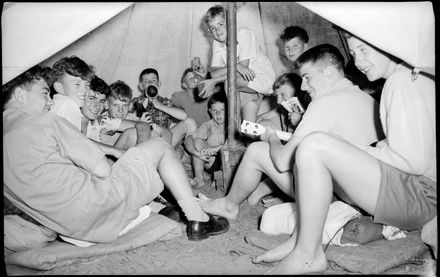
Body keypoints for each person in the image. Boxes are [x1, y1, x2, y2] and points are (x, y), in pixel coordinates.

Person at [256, 32, 436, 275]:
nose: (358, 60)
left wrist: (352, 148)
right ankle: (301, 242)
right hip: (415, 190)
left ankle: (308, 254)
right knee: (314, 148)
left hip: (421, 195)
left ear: (387, 44)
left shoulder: (402, 82)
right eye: (353, 53)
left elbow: (414, 162)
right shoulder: (406, 76)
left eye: (363, 50)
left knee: (313, 145)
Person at [3, 65, 229, 242]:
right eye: (45, 93)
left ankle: (157, 204)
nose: (50, 101)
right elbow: (103, 170)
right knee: (160, 148)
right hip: (96, 208)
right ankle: (197, 219)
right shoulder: (46, 121)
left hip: (67, 226)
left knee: (143, 145)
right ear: (21, 95)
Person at [199, 44, 381, 224]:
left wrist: (271, 137)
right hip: (373, 196)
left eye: (308, 77)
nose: (303, 86)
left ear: (329, 71)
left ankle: (229, 206)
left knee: (256, 150)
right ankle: (254, 195)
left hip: (339, 197)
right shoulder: (368, 100)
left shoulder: (323, 103)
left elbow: (282, 162)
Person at [197, 4, 276, 123]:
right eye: (212, 28)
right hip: (243, 85)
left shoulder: (243, 34)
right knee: (249, 130)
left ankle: (233, 127)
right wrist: (236, 66)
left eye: (221, 24)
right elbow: (214, 73)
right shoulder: (217, 44)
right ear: (209, 30)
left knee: (229, 83)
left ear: (229, 22)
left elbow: (244, 70)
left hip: (259, 78)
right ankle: (265, 133)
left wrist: (213, 82)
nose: (217, 30)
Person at [87, 79, 171, 150]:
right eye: (115, 105)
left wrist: (167, 150)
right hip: (109, 157)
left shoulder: (132, 117)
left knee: (159, 135)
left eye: (124, 106)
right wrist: (142, 125)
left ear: (130, 106)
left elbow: (164, 131)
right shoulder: (102, 119)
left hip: (126, 155)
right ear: (106, 105)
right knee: (133, 133)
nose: (120, 110)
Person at [128, 68, 197, 147]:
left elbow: (184, 116)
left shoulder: (165, 102)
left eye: (153, 80)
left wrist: (159, 106)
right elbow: (126, 116)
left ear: (159, 84)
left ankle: (197, 152)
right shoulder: (136, 101)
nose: (150, 83)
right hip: (144, 140)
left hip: (164, 140)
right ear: (141, 86)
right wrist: (142, 106)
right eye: (146, 81)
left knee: (190, 122)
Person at [184, 92, 227, 188]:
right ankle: (199, 178)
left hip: (229, 162)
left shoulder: (234, 123)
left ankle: (220, 177)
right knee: (197, 141)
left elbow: (240, 145)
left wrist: (217, 148)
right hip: (212, 162)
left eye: (222, 110)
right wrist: (196, 153)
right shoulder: (208, 125)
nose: (218, 114)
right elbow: (188, 140)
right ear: (210, 111)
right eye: (215, 110)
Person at [50, 55, 95, 130]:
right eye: (77, 84)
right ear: (59, 88)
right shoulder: (69, 104)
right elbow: (71, 141)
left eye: (87, 85)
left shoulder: (57, 103)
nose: (84, 90)